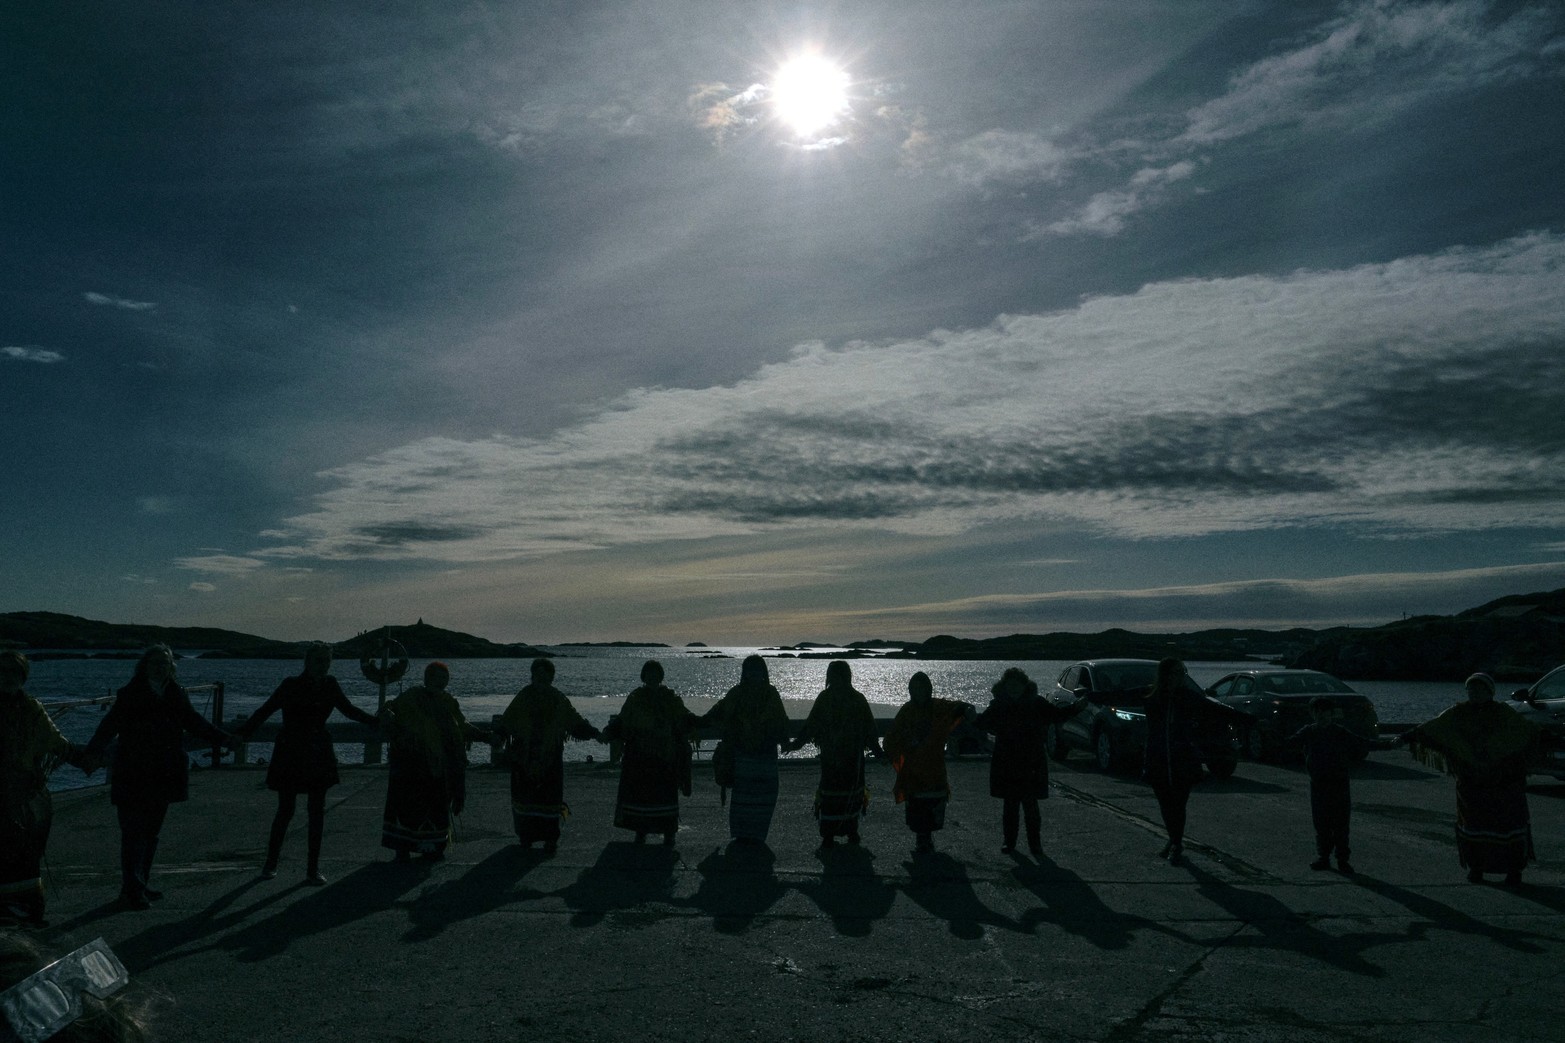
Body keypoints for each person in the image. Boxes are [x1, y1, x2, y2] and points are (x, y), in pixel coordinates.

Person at [85, 645, 237, 909]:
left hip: (163, 772)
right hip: (133, 772)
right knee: (134, 832)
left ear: (171, 667)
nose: (160, 667)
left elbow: (194, 722)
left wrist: (223, 738)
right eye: (155, 663)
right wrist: (90, 754)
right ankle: (131, 890)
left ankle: (139, 884)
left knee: (151, 832)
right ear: (144, 666)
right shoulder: (131, 694)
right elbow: (109, 726)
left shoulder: (175, 693)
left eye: (165, 663)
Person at [236, 642, 378, 884]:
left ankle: (312, 869)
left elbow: (349, 711)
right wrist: (241, 735)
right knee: (286, 810)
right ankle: (270, 863)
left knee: (316, 811)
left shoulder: (330, 684)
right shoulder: (290, 685)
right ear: (308, 662)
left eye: (327, 661)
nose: (323, 665)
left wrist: (377, 722)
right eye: (319, 660)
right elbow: (265, 710)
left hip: (317, 751)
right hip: (291, 751)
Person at [1398, 672, 1541, 887]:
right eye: (1470, 689)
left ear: (1489, 691)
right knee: (1474, 823)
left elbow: (1528, 733)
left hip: (1505, 781)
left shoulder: (1504, 713)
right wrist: (1407, 735)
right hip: (1471, 781)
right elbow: (1434, 726)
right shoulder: (1458, 713)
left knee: (1509, 823)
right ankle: (1477, 868)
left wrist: (1548, 738)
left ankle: (1513, 871)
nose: (1474, 693)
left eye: (1479, 689)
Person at [0, 651, 93, 927]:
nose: (7, 677)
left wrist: (83, 760)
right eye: (2, 672)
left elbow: (55, 742)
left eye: (14, 673)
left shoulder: (32, 709)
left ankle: (26, 909)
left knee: (27, 851)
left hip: (23, 792)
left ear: (22, 677)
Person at [1141, 658, 1247, 867]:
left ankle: (1176, 844)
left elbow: (1217, 710)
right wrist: (1088, 697)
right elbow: (1118, 694)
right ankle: (1173, 840)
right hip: (1158, 758)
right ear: (1166, 675)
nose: (1181, 676)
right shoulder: (1152, 695)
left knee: (1178, 804)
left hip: (1183, 759)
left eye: (1182, 672)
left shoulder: (1188, 696)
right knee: (1165, 803)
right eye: (1176, 672)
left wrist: (1248, 719)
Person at [974, 667, 1087, 856]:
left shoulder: (1037, 704)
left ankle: (1035, 844)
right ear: (1005, 686)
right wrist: (965, 715)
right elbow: (982, 723)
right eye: (1010, 685)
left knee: (1030, 806)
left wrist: (1076, 707)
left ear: (1023, 685)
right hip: (1007, 762)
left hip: (1031, 763)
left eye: (1016, 684)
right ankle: (1009, 843)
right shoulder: (999, 706)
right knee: (1010, 806)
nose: (1013, 689)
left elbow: (1057, 715)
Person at [495, 658, 603, 854]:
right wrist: (497, 736)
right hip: (524, 758)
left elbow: (574, 720)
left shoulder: (557, 698)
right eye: (538, 675)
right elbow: (508, 719)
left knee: (550, 799)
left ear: (551, 678)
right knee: (525, 798)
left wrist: (595, 733)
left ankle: (550, 839)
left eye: (546, 676)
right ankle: (525, 837)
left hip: (550, 758)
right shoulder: (524, 696)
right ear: (532, 676)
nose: (542, 679)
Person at [380, 662, 474, 862]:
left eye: (444, 678)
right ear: (427, 678)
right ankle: (402, 848)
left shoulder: (449, 701)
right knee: (407, 808)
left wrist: (485, 735)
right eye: (436, 677)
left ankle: (433, 847)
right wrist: (387, 713)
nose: (440, 682)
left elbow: (462, 726)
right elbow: (390, 708)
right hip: (411, 765)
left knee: (436, 807)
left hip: (438, 766)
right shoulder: (412, 696)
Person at [786, 660, 883, 850]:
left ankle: (846, 831)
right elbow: (811, 725)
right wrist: (796, 744)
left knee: (849, 795)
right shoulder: (834, 698)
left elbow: (869, 730)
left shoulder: (853, 699)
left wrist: (879, 752)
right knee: (835, 796)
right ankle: (832, 833)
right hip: (834, 759)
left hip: (849, 759)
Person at [601, 660, 695, 846]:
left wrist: (705, 722)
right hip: (639, 755)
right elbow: (622, 719)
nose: (652, 677)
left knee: (665, 795)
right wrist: (607, 732)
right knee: (641, 795)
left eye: (655, 674)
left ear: (660, 676)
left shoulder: (670, 698)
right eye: (648, 674)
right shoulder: (635, 698)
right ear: (644, 676)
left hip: (664, 755)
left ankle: (669, 831)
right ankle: (641, 831)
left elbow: (684, 717)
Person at [701, 655, 791, 845]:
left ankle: (758, 835)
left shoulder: (770, 693)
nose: (754, 674)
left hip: (765, 754)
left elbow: (781, 720)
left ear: (763, 672)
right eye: (751, 670)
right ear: (745, 673)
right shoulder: (737, 693)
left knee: (764, 796)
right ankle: (742, 834)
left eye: (757, 670)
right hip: (744, 755)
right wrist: (697, 723)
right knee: (743, 797)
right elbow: (718, 711)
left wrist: (785, 740)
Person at [883, 672, 974, 854]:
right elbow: (893, 736)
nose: (919, 692)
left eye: (922, 688)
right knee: (917, 804)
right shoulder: (907, 710)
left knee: (933, 803)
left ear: (929, 689)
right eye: (915, 688)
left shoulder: (939, 706)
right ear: (910, 690)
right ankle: (921, 839)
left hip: (934, 765)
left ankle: (927, 836)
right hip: (914, 767)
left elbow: (958, 707)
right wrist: (890, 750)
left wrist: (968, 709)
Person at [1286, 696, 1368, 874]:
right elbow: (1289, 742)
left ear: (1332, 714)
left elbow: (1362, 743)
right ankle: (1323, 857)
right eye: (1318, 712)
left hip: (1339, 784)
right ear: (1312, 714)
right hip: (1318, 785)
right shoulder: (1308, 732)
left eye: (1325, 712)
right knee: (1321, 823)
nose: (1321, 716)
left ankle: (1342, 859)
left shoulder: (1340, 732)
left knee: (1341, 824)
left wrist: (1388, 745)